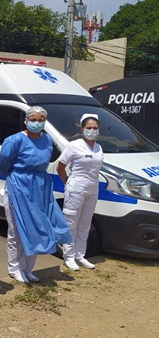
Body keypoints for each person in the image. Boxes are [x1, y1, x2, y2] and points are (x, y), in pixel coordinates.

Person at [0, 106, 71, 284]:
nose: (37, 123)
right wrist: (17, 179)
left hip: (40, 187)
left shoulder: (46, 139)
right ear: (26, 120)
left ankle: (28, 268)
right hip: (19, 186)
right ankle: (15, 268)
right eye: (33, 119)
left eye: (40, 120)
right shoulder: (14, 140)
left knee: (38, 227)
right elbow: (2, 165)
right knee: (17, 229)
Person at [56, 113, 103, 271]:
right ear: (82, 129)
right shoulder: (74, 145)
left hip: (92, 189)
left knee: (85, 224)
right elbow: (60, 167)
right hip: (76, 188)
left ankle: (80, 255)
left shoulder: (98, 147)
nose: (92, 130)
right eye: (89, 127)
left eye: (95, 128)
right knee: (71, 224)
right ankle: (69, 257)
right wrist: (68, 183)